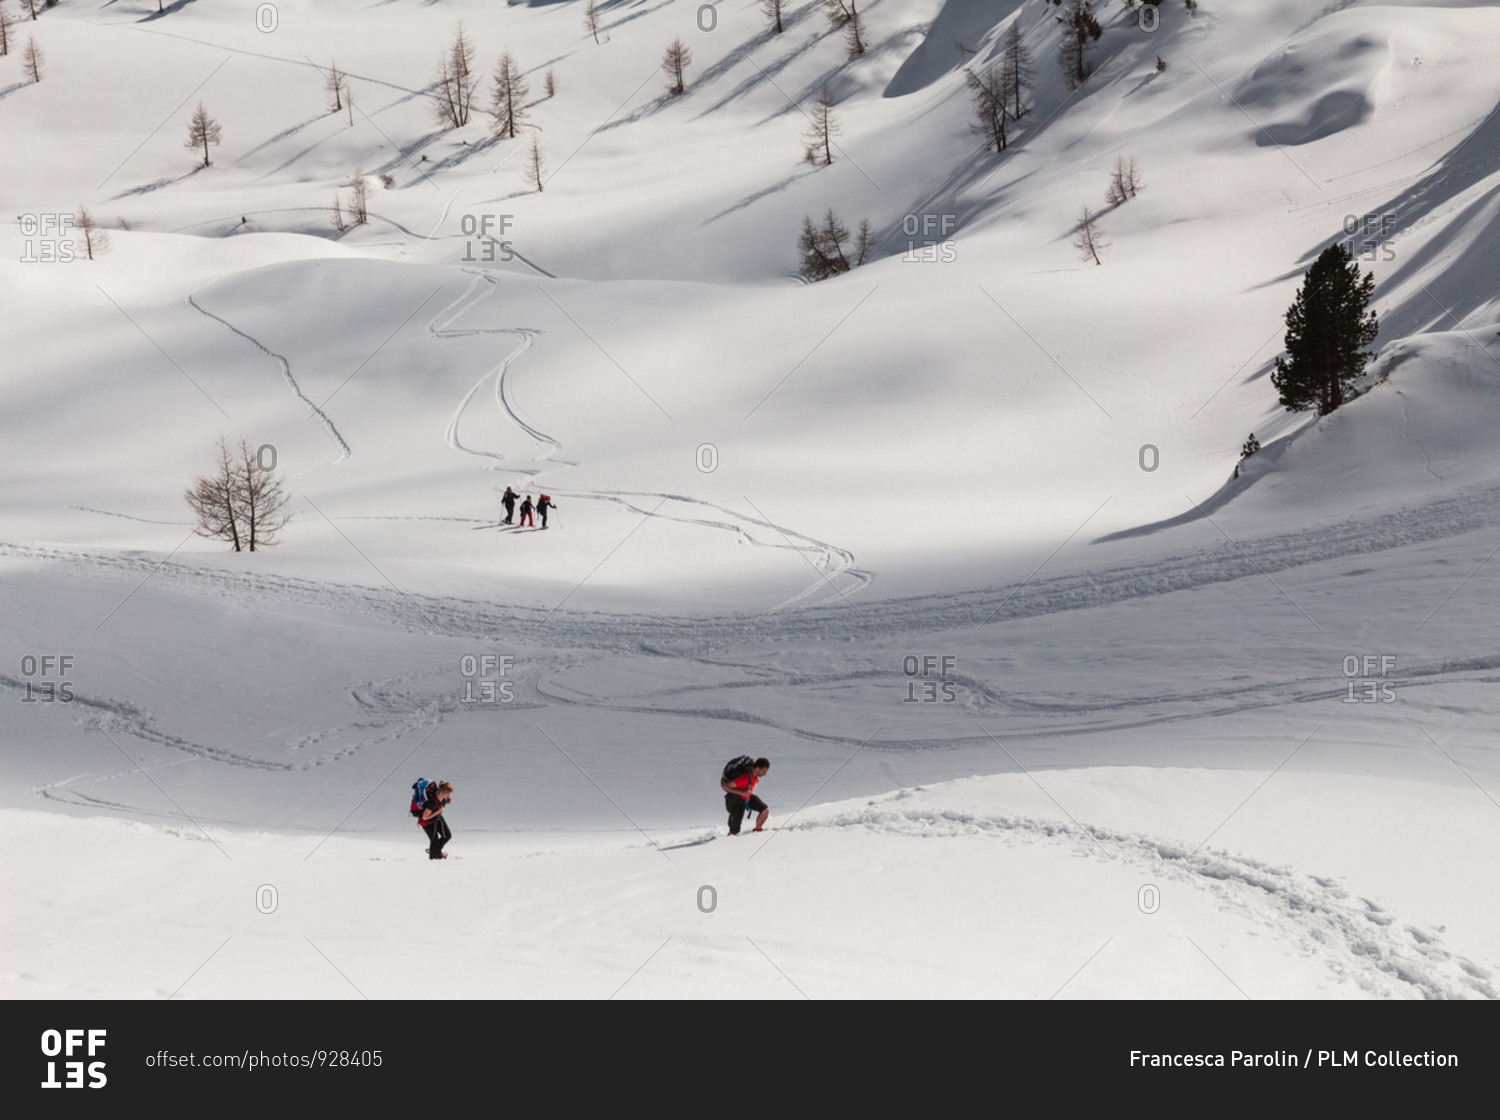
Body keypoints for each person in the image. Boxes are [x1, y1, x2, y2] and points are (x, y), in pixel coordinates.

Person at [722, 757, 770, 836]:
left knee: (765, 810)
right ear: (757, 768)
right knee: (735, 830)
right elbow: (725, 786)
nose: (765, 774)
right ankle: (727, 841)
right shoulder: (744, 778)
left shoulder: (754, 775)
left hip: (747, 797)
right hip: (736, 801)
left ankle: (758, 830)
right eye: (764, 771)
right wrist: (741, 792)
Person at [419, 780, 455, 860]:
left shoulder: (442, 798)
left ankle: (434, 850)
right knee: (434, 841)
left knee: (447, 835)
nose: (449, 796)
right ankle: (434, 855)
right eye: (448, 794)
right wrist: (438, 811)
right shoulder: (432, 802)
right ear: (442, 792)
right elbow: (424, 817)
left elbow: (441, 803)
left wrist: (447, 802)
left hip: (437, 818)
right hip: (427, 823)